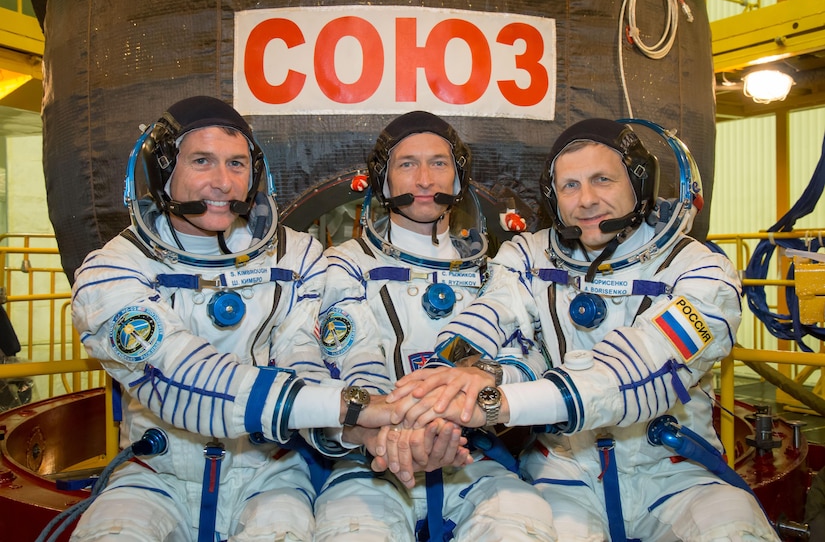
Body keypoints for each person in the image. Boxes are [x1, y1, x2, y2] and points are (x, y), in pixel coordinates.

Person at [68, 97, 459, 542]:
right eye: (201, 161)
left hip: (271, 475)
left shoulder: (297, 258)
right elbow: (184, 378)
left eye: (236, 164)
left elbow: (310, 358)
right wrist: (354, 407)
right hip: (156, 477)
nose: (222, 182)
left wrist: (362, 429)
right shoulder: (113, 268)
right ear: (163, 172)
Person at [390, 118, 780, 541]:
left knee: (737, 532)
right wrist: (457, 372)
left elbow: (639, 366)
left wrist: (495, 403)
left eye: (602, 180)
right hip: (564, 470)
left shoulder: (701, 271)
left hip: (675, 474)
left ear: (639, 185)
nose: (587, 200)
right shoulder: (530, 256)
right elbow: (493, 319)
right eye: (570, 186)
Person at [312, 110, 557, 541]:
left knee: (523, 525)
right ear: (383, 180)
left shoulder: (493, 271)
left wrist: (480, 392)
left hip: (472, 455)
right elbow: (347, 356)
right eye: (407, 164)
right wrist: (389, 429)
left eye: (439, 163)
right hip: (372, 457)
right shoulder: (344, 265)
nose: (424, 179)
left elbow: (530, 352)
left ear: (458, 180)